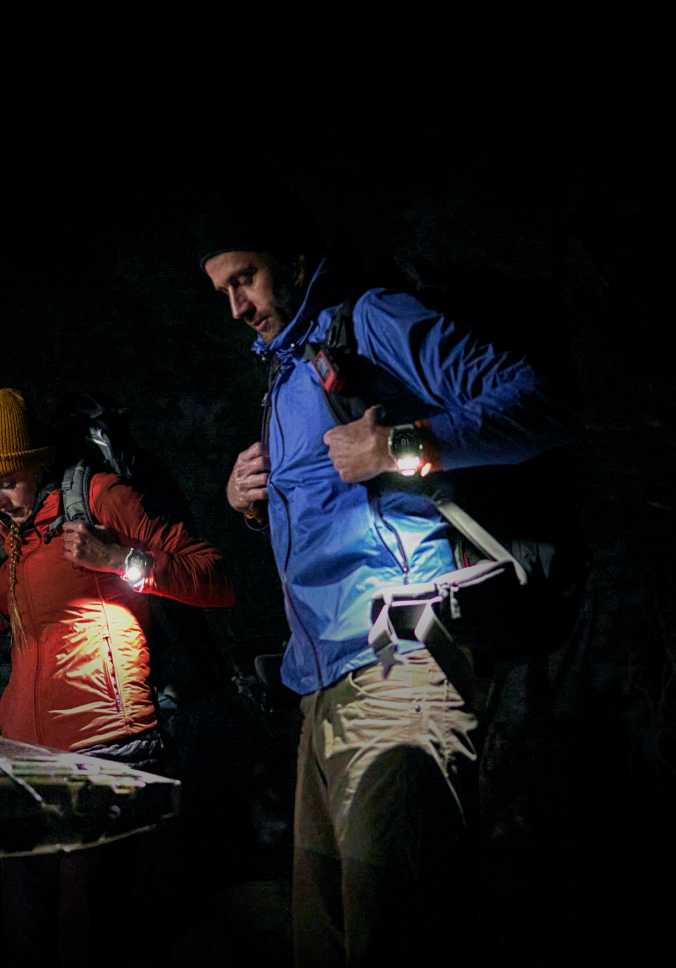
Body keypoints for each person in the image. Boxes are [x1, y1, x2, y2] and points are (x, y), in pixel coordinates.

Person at [203, 182, 580, 964]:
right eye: (222, 290)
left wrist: (406, 443)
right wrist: (253, 500)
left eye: (246, 278)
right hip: (320, 690)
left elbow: (542, 402)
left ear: (296, 261)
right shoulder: (286, 371)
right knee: (325, 942)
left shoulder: (369, 319)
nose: (235, 306)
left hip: (401, 664)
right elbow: (337, 500)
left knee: (395, 932)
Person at [0, 387, 235, 965]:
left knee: (87, 938)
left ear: (37, 462)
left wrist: (119, 561)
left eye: (6, 482)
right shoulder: (18, 536)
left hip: (105, 758)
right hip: (27, 767)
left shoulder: (99, 498)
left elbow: (216, 578)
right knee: (23, 942)